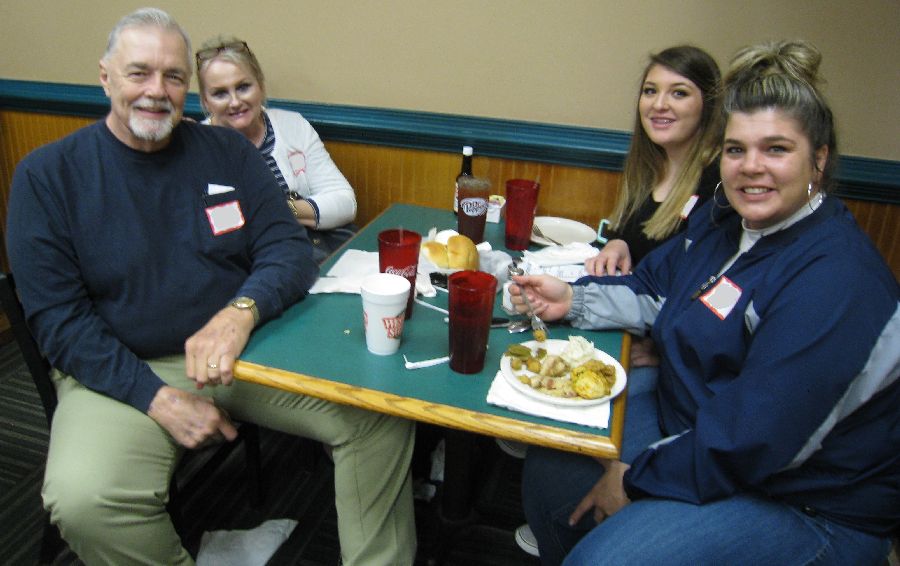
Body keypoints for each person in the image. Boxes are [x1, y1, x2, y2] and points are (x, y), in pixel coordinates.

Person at [5, 9, 415, 565]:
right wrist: (154, 397)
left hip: (247, 351)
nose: (157, 91)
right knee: (84, 499)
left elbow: (287, 250)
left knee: (379, 416)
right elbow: (59, 323)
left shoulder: (226, 151)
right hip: (124, 366)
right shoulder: (47, 176)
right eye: (139, 73)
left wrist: (239, 312)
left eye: (173, 76)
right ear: (105, 76)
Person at [511, 39, 899, 565]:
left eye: (777, 149)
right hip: (693, 425)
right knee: (552, 471)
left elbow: (755, 439)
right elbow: (653, 287)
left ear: (820, 159)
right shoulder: (725, 222)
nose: (751, 167)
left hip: (805, 503)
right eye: (737, 149)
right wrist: (572, 301)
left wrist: (636, 475)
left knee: (606, 561)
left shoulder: (836, 279)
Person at [195, 35, 357, 264]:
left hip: (319, 253)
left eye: (243, 87)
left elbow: (345, 203)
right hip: (252, 269)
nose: (234, 102)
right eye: (220, 93)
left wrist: (278, 209)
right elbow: (221, 234)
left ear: (260, 85)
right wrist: (302, 210)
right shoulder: (197, 149)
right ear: (205, 100)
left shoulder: (292, 126)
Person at [587, 45, 721, 278]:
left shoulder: (718, 185)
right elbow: (628, 234)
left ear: (708, 105)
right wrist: (618, 244)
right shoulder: (648, 167)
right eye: (650, 91)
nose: (658, 105)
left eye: (679, 93)